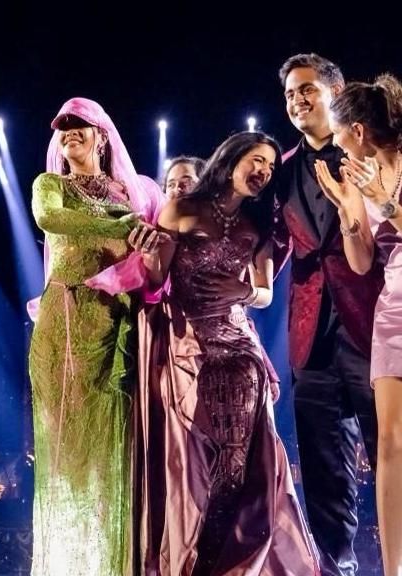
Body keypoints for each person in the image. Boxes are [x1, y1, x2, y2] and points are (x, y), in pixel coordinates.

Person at [133, 131, 318, 574]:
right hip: (186, 346)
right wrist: (148, 255)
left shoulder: (256, 228)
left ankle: (220, 562)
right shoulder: (181, 209)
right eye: (257, 160)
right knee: (190, 463)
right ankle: (187, 553)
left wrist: (243, 290)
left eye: (271, 167)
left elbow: (265, 294)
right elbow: (157, 283)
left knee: (237, 464)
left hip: (238, 349)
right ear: (231, 159)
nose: (264, 171)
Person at [27, 97, 162, 575]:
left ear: (103, 135)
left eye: (80, 126)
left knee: (117, 444)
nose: (70, 134)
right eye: (62, 128)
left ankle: (116, 562)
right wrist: (122, 224)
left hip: (118, 324)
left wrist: (141, 230)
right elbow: (50, 219)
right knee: (69, 450)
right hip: (64, 321)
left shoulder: (137, 193)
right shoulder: (51, 185)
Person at [275, 53, 383, 576]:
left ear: (335, 93)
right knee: (322, 468)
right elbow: (269, 241)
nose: (297, 100)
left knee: (391, 450)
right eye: (290, 94)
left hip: (370, 324)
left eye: (307, 90)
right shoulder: (281, 170)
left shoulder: (366, 153)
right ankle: (334, 568)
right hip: (309, 332)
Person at [315, 73, 402, 576]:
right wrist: (351, 215)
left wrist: (386, 203)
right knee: (389, 442)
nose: (337, 143)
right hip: (393, 308)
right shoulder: (360, 180)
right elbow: (364, 263)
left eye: (339, 132)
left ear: (359, 131)